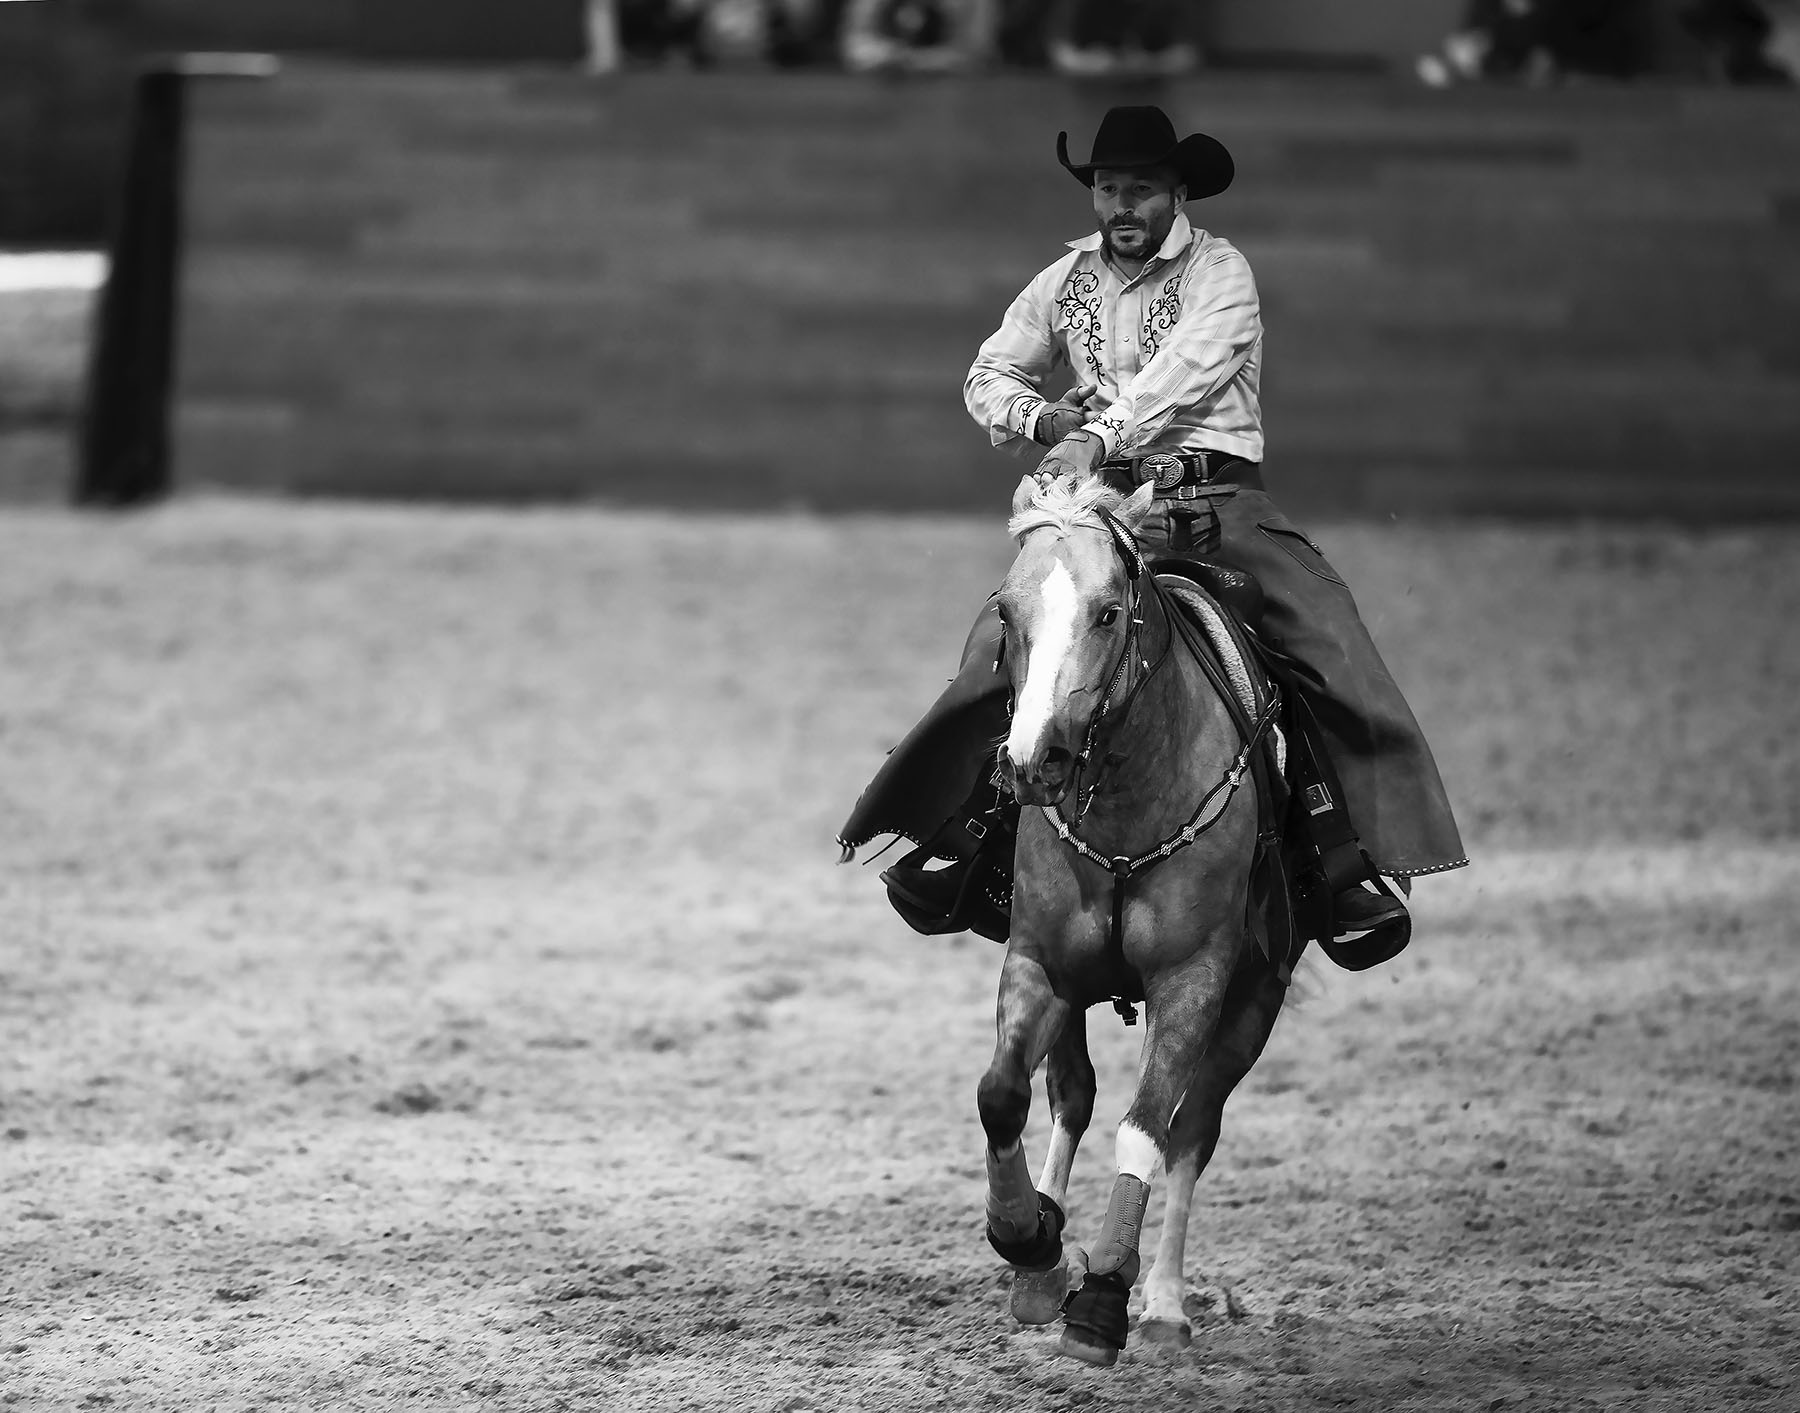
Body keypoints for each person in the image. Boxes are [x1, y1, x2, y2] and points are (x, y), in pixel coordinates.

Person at [840, 106, 1466, 957]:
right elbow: (987, 373)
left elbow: (1186, 375)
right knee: (1005, 637)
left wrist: (1099, 432)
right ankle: (969, 827)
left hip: (1217, 509)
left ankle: (1342, 853)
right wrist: (1040, 415)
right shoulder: (1064, 281)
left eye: (1139, 190)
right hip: (1099, 510)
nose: (1121, 206)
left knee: (1326, 644)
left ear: (1177, 193)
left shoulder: (1222, 273)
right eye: (1108, 189)